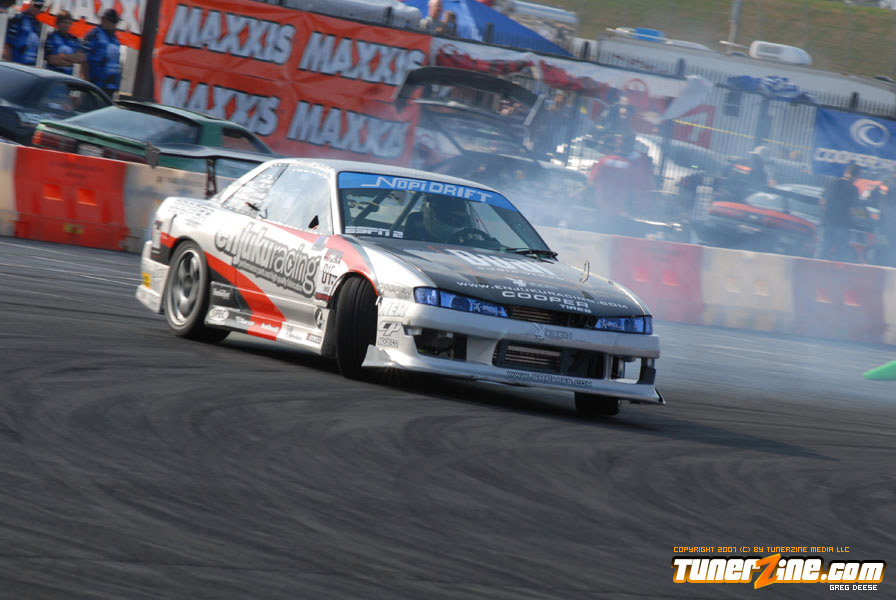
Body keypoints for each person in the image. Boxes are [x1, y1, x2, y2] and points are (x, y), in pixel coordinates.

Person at [816, 162, 861, 261]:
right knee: (840, 254)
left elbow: (821, 203)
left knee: (822, 250)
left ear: (846, 172)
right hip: (842, 226)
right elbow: (853, 211)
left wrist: (827, 214)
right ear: (856, 176)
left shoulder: (831, 183)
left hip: (827, 223)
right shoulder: (853, 190)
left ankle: (815, 269)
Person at [82, 9, 122, 94]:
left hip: (111, 86)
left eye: (116, 22)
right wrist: (87, 83)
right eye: (112, 22)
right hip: (96, 85)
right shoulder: (93, 35)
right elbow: (84, 61)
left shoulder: (115, 39)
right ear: (103, 20)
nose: (114, 25)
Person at [404, 195, 472, 242]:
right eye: (448, 218)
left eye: (459, 220)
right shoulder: (416, 223)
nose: (453, 222)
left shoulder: (465, 240)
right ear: (432, 214)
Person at [3, 0, 44, 65]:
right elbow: (7, 44)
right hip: (17, 63)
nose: (37, 9)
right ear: (30, 4)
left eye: (40, 7)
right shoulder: (19, 19)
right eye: (36, 6)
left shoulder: (37, 25)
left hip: (31, 65)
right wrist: (10, 64)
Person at [44, 11, 84, 75]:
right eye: (64, 22)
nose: (67, 25)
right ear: (58, 23)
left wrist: (63, 56)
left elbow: (80, 58)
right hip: (53, 75)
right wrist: (71, 60)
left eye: (69, 23)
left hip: (67, 77)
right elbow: (52, 59)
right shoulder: (51, 37)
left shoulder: (74, 39)